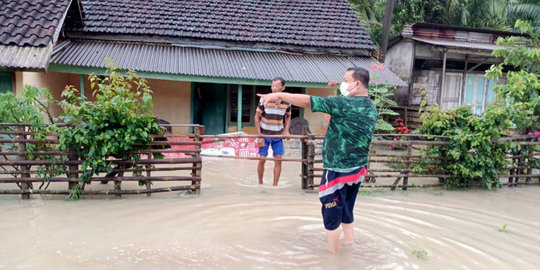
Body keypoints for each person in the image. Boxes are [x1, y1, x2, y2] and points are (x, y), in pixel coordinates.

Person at [257, 67, 377, 253]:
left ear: (358, 83)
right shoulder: (370, 107)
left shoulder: (343, 104)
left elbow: (308, 101)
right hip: (357, 170)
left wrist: (280, 95)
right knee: (346, 208)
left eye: (346, 80)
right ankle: (350, 245)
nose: (343, 84)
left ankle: (333, 258)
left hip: (337, 170)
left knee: (331, 213)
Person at [255, 77, 291, 186]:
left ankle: (275, 185)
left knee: (278, 159)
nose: (273, 88)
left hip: (278, 135)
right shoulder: (264, 99)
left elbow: (288, 116)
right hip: (264, 134)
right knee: (262, 159)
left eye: (276, 86)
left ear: (282, 87)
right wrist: (259, 136)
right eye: (272, 85)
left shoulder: (287, 101)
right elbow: (257, 117)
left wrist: (286, 130)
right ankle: (260, 183)